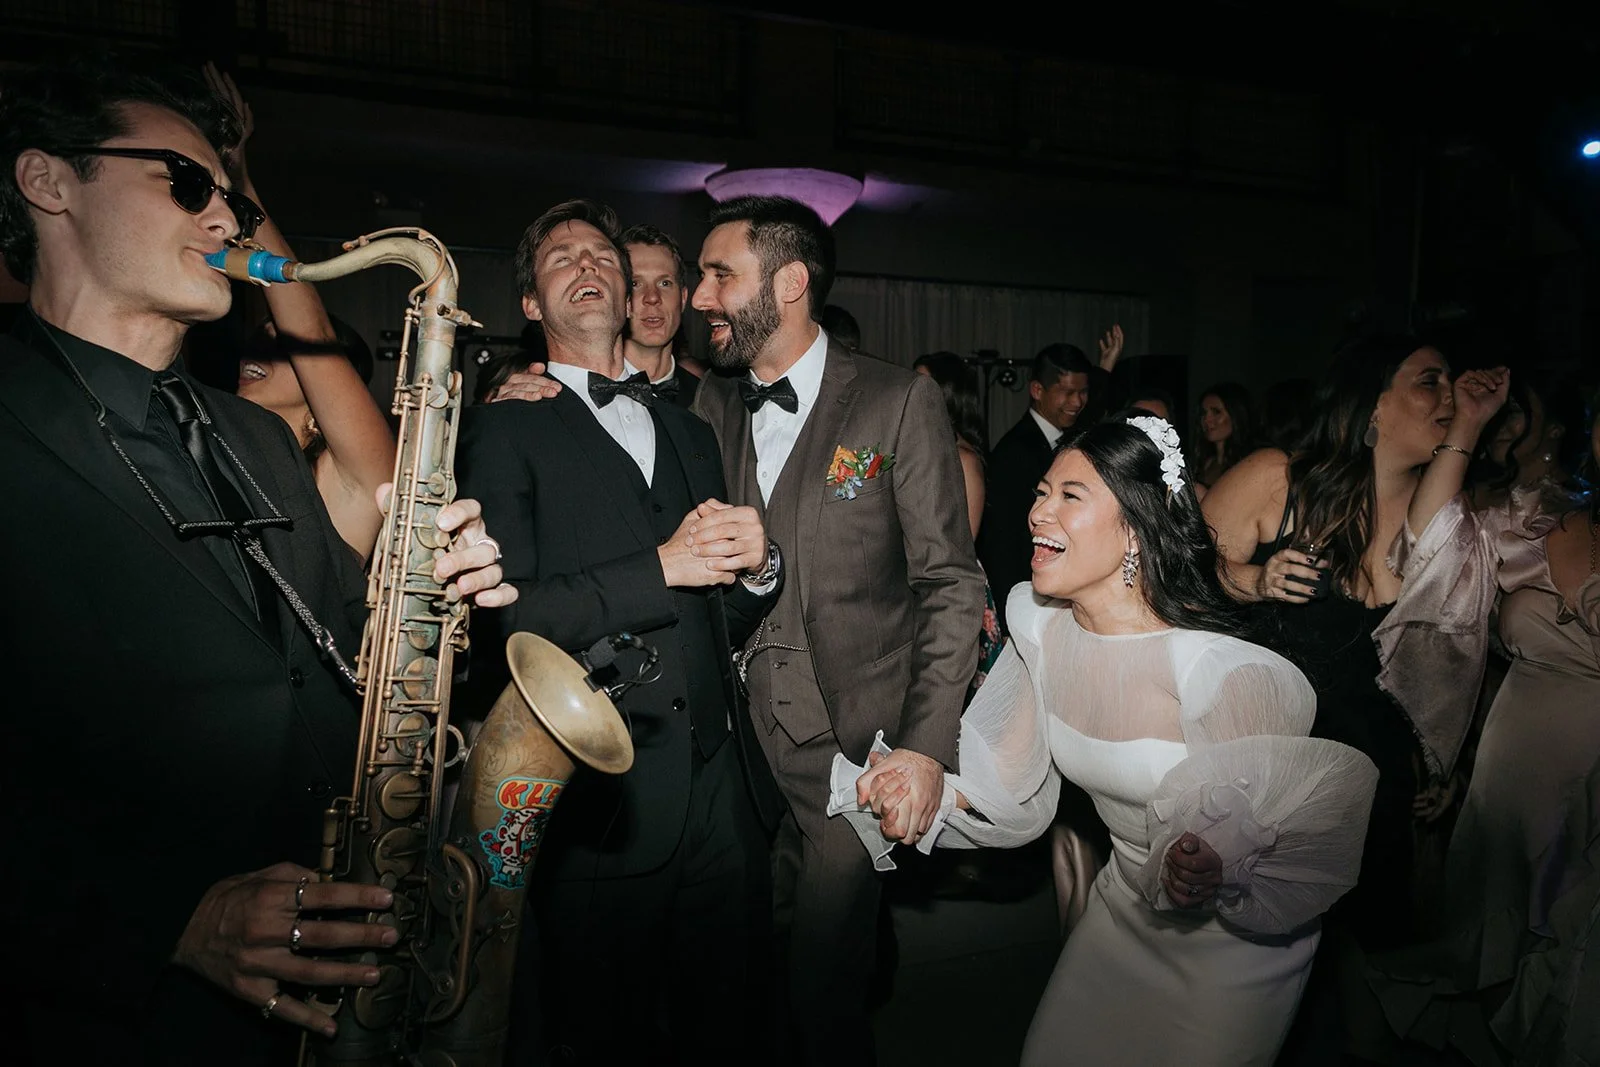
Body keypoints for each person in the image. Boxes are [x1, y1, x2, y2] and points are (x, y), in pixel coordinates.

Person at [0, 55, 512, 1065]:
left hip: (323, 997)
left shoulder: (259, 438)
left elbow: (330, 658)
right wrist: (169, 922)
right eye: (187, 183)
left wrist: (435, 592)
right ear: (48, 181)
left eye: (232, 200)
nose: (226, 219)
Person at [862, 414, 1376, 1066]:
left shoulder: (1218, 673)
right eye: (1040, 492)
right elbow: (1014, 780)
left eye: (1069, 496)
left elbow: (1293, 829)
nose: (1038, 512)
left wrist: (1218, 858)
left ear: (1134, 529)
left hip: (1232, 947)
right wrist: (926, 791)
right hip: (1124, 907)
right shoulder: (1041, 628)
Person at [457, 199, 783, 1065]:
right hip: (602, 801)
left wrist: (759, 572)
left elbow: (714, 612)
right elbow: (501, 617)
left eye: (603, 255)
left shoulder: (692, 430)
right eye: (562, 258)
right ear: (531, 303)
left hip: (722, 792)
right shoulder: (502, 427)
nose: (590, 266)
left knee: (732, 1027)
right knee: (605, 1034)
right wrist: (659, 567)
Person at [690, 195, 985, 1064]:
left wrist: (925, 748)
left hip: (854, 750)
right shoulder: (712, 400)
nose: (702, 297)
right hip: (737, 752)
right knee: (748, 971)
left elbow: (950, 583)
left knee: (821, 983)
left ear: (788, 283)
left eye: (719, 275)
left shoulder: (898, 401)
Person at [1201, 335, 1507, 1057]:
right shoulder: (1278, 478)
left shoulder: (1440, 517)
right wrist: (1255, 579)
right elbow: (1181, 571)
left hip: (1379, 784)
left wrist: (1440, 757)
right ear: (1372, 404)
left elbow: (1442, 660)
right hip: (1277, 780)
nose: (1446, 394)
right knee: (1264, 984)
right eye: (1428, 380)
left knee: (1367, 972)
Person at [1371, 388, 1599, 1065]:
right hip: (1512, 768)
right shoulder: (1536, 520)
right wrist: (1467, 423)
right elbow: (1426, 545)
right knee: (1487, 935)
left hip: (1592, 781)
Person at [204, 65, 395, 560]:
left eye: (282, 346)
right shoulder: (205, 445)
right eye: (262, 336)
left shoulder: (356, 477)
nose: (257, 348)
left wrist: (241, 182)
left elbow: (308, 327)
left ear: (319, 413)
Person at [977, 343, 1095, 635]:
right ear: (1037, 390)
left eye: (1083, 392)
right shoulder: (1014, 453)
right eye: (1067, 392)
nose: (1077, 401)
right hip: (1026, 604)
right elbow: (1003, 546)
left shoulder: (1070, 440)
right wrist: (1012, 623)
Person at [1189, 381, 1255, 489]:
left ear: (1236, 415)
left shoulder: (1249, 463)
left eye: (1216, 412)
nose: (1207, 419)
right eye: (1203, 413)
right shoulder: (1206, 463)